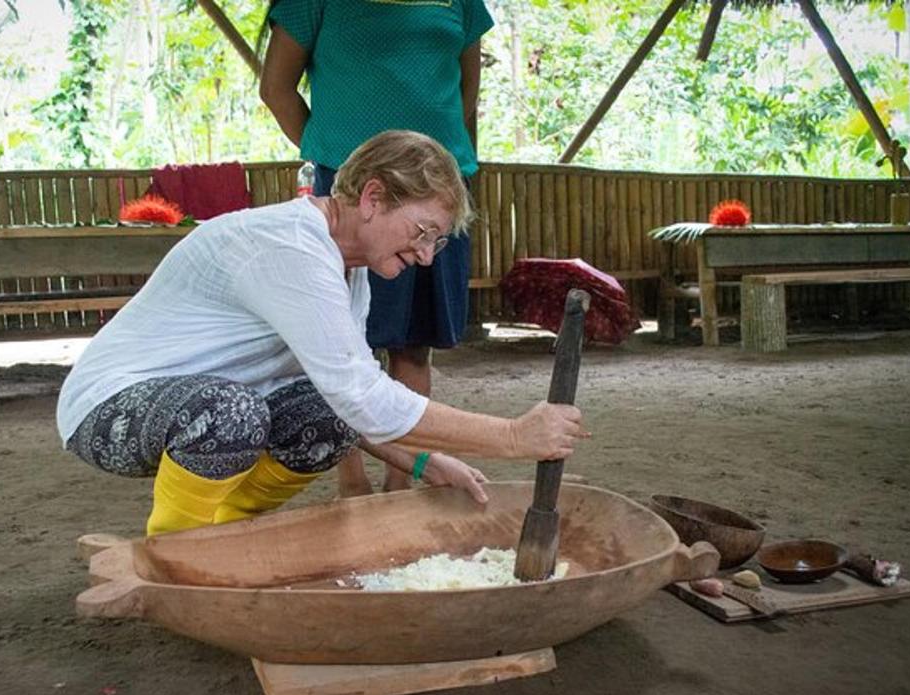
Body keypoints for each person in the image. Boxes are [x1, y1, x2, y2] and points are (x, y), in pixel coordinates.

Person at [56, 130, 584, 537]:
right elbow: (368, 399)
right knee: (232, 413)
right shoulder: (290, 248)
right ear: (373, 197)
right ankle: (177, 549)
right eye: (423, 233)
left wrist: (424, 462)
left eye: (438, 244)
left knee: (320, 413)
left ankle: (226, 531)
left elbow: (347, 402)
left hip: (203, 407)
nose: (426, 256)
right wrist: (515, 437)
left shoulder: (350, 270)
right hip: (106, 410)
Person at [258, 0, 493, 497]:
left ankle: (400, 487)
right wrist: (346, 165)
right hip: (359, 193)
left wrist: (434, 175)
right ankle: (353, 485)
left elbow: (465, 91)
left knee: (414, 343)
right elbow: (276, 89)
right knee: (345, 341)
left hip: (434, 191)